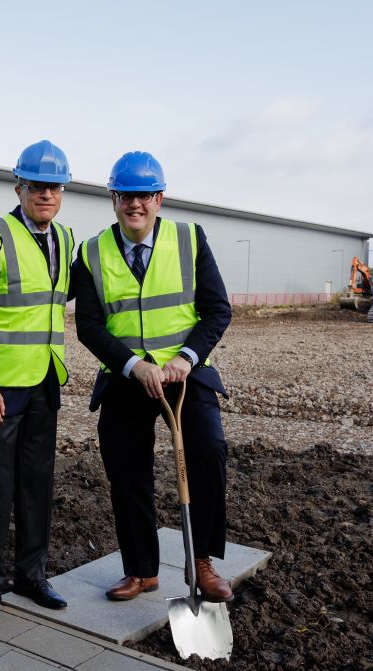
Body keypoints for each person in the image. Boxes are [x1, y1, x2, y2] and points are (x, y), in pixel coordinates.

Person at [71, 151, 234, 603]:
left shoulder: (190, 239)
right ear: (114, 198)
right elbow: (88, 325)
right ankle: (141, 569)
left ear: (159, 198)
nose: (134, 204)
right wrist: (132, 365)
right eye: (125, 195)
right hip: (126, 377)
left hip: (185, 374)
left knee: (208, 450)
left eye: (144, 195)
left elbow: (218, 310)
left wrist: (186, 357)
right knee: (126, 471)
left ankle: (201, 561)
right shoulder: (90, 252)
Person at [0, 140, 75, 626]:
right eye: (36, 186)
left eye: (52, 187)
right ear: (19, 187)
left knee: (36, 485)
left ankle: (32, 574)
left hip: (45, 381)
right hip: (1, 389)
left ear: (61, 191)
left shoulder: (65, 239)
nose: (44, 194)